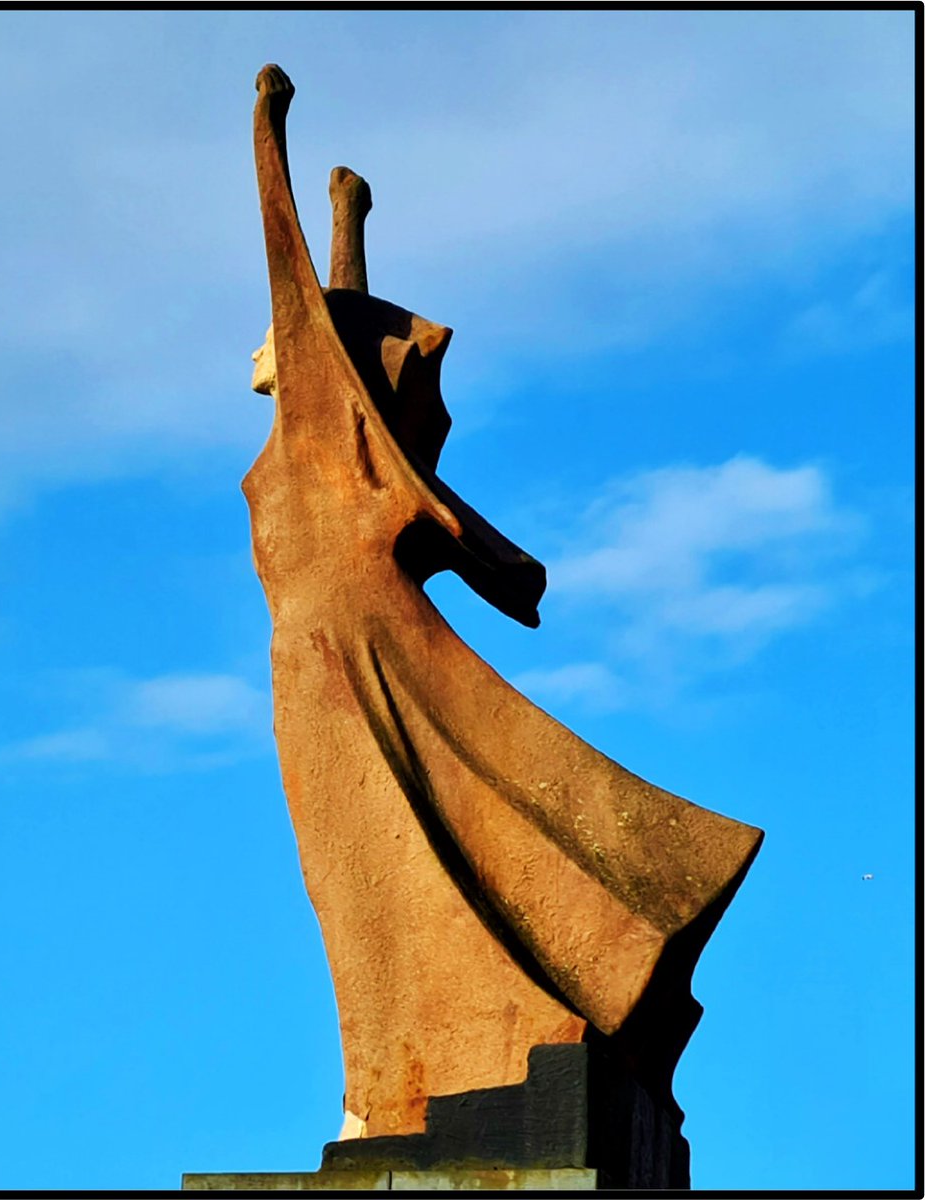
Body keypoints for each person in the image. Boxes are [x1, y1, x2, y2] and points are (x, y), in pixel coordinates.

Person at [244, 64, 762, 1150]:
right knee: (384, 884)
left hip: (343, 675)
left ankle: (436, 1064)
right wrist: (352, 223)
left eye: (280, 342)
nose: (261, 350)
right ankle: (414, 1060)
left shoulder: (324, 457)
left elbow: (301, 296)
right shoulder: (352, 469)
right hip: (337, 672)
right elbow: (332, 315)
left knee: (388, 872)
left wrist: (273, 144)